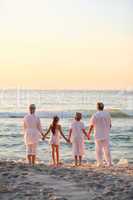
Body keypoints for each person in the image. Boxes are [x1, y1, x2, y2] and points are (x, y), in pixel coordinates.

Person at [88, 102, 112, 167]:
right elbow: (110, 125)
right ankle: (109, 163)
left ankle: (100, 163)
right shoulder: (107, 114)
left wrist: (88, 133)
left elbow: (91, 125)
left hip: (98, 134)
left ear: (97, 107)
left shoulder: (95, 115)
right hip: (106, 134)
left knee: (98, 149)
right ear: (103, 107)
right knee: (107, 149)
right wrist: (107, 130)